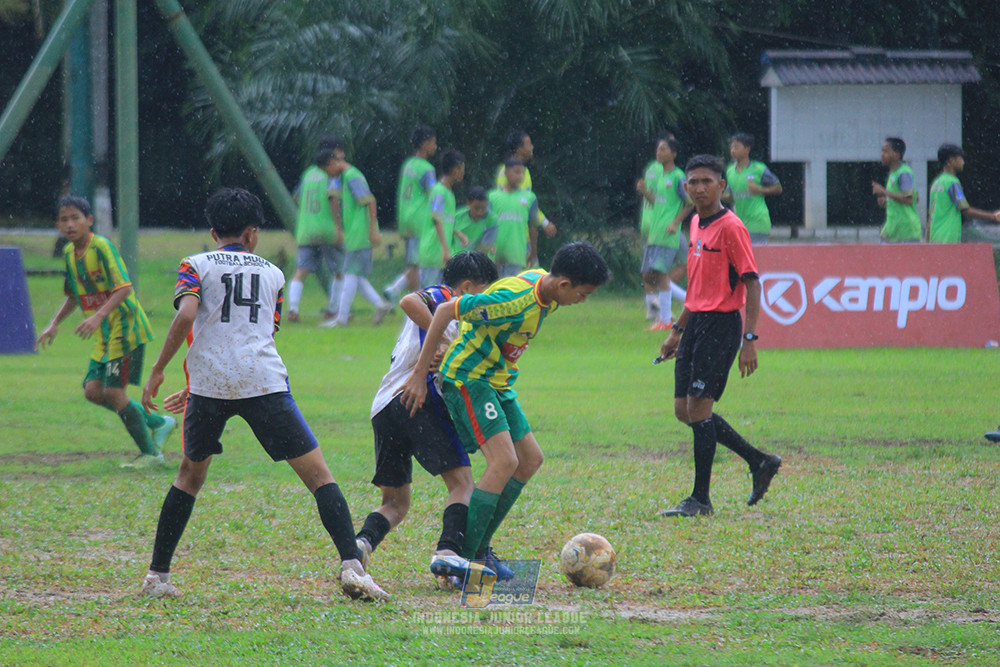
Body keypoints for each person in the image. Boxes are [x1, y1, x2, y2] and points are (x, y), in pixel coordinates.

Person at [138, 188, 388, 601]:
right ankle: (352, 567)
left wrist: (160, 369)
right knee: (319, 476)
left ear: (214, 232)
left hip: (211, 385)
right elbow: (259, 332)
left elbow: (188, 315)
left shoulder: (195, 264)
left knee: (189, 477)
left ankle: (157, 576)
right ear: (252, 234)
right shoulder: (273, 274)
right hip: (262, 381)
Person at [399, 242, 609, 579]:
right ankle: (466, 561)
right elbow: (445, 311)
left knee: (530, 459)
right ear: (564, 284)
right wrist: (419, 375)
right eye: (582, 294)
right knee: (503, 462)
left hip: (497, 381)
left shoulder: (547, 290)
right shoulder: (512, 301)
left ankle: (481, 549)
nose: (582, 301)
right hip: (469, 378)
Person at [356, 252, 499, 589]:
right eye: (484, 292)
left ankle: (361, 544)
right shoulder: (447, 297)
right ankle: (449, 554)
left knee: (395, 503)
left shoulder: (460, 321)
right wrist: (447, 342)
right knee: (462, 484)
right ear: (467, 287)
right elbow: (409, 300)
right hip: (417, 397)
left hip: (384, 406)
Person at [657, 155, 781, 518]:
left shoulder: (731, 227)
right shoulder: (696, 222)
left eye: (707, 182)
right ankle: (759, 460)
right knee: (684, 410)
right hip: (695, 323)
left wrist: (750, 339)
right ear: (686, 187)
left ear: (721, 186)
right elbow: (697, 287)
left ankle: (701, 499)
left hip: (721, 325)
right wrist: (677, 331)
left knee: (699, 409)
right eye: (693, 182)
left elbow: (752, 283)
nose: (699, 188)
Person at [35, 195, 175, 468]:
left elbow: (124, 288)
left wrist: (98, 316)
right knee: (92, 391)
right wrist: (54, 323)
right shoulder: (68, 254)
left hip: (125, 327)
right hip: (105, 334)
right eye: (64, 220)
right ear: (58, 225)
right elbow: (74, 295)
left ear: (89, 220)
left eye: (75, 218)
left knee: (113, 392)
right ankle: (159, 423)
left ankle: (151, 455)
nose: (70, 224)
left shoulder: (100, 247)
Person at [318, 140, 392, 328]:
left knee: (349, 274)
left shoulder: (352, 176)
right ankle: (380, 305)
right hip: (356, 235)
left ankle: (341, 319)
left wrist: (373, 230)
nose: (329, 176)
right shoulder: (347, 176)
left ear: (331, 163)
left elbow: (370, 201)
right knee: (356, 276)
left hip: (360, 235)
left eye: (327, 171)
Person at [636, 136, 693, 331]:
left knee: (660, 275)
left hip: (667, 233)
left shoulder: (678, 176)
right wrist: (645, 192)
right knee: (649, 274)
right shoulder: (660, 176)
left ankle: (666, 320)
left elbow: (689, 203)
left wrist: (675, 223)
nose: (658, 153)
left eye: (663, 149)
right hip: (655, 232)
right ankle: (687, 303)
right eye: (658, 149)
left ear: (673, 154)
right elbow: (658, 203)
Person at [288, 147, 344, 322]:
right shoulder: (331, 175)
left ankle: (293, 309)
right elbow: (333, 198)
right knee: (339, 271)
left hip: (306, 229)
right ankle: (334, 309)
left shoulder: (308, 174)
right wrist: (338, 227)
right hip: (326, 228)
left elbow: (296, 197)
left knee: (300, 271)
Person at [384, 125, 438, 303]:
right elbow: (433, 195)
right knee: (418, 264)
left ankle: (400, 293)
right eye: (433, 142)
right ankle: (405, 296)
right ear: (424, 144)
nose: (435, 146)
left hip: (406, 217)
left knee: (414, 263)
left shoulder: (408, 164)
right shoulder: (426, 168)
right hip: (420, 219)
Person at [495, 130, 558, 267]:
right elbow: (513, 203)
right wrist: (544, 222)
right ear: (519, 149)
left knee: (531, 275)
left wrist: (543, 222)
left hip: (524, 237)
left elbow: (527, 204)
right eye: (529, 144)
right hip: (512, 238)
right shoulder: (504, 172)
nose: (532, 147)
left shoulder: (525, 172)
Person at [927, 144, 1000, 243]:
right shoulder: (952, 182)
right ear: (951, 160)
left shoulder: (937, 183)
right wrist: (993, 216)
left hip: (935, 237)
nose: (963, 162)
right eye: (961, 158)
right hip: (948, 237)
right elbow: (965, 210)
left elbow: (931, 216)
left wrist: (926, 241)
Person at [418, 149, 466, 287]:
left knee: (440, 295)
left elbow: (444, 221)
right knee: (428, 296)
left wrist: (457, 233)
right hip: (433, 252)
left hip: (440, 255)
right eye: (462, 169)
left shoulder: (448, 193)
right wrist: (445, 249)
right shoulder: (439, 192)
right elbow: (436, 219)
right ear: (455, 169)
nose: (463, 173)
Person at [724, 133, 782, 245]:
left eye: (736, 147)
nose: (732, 150)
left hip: (757, 220)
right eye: (731, 147)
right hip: (739, 222)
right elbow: (730, 195)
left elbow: (778, 188)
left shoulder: (759, 168)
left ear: (747, 149)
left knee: (754, 254)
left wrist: (760, 190)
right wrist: (721, 196)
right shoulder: (730, 171)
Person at [490, 158, 539, 278]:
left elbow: (533, 227)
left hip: (516, 254)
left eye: (522, 173)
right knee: (494, 286)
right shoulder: (492, 197)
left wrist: (533, 252)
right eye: (516, 172)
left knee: (511, 287)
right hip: (494, 255)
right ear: (506, 173)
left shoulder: (530, 198)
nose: (520, 176)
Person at [872, 137, 921, 243]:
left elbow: (910, 200)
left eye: (886, 151)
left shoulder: (904, 173)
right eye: (882, 151)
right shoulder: (893, 174)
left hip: (906, 231)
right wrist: (886, 201)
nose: (882, 154)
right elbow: (914, 198)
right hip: (894, 229)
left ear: (897, 155)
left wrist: (884, 192)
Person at [453, 186, 498, 254]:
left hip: (478, 258)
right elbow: (444, 227)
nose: (480, 212)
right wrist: (458, 233)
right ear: (468, 203)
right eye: (476, 208)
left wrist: (489, 245)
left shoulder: (492, 220)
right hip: (456, 256)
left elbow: (483, 249)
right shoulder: (457, 216)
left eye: (483, 208)